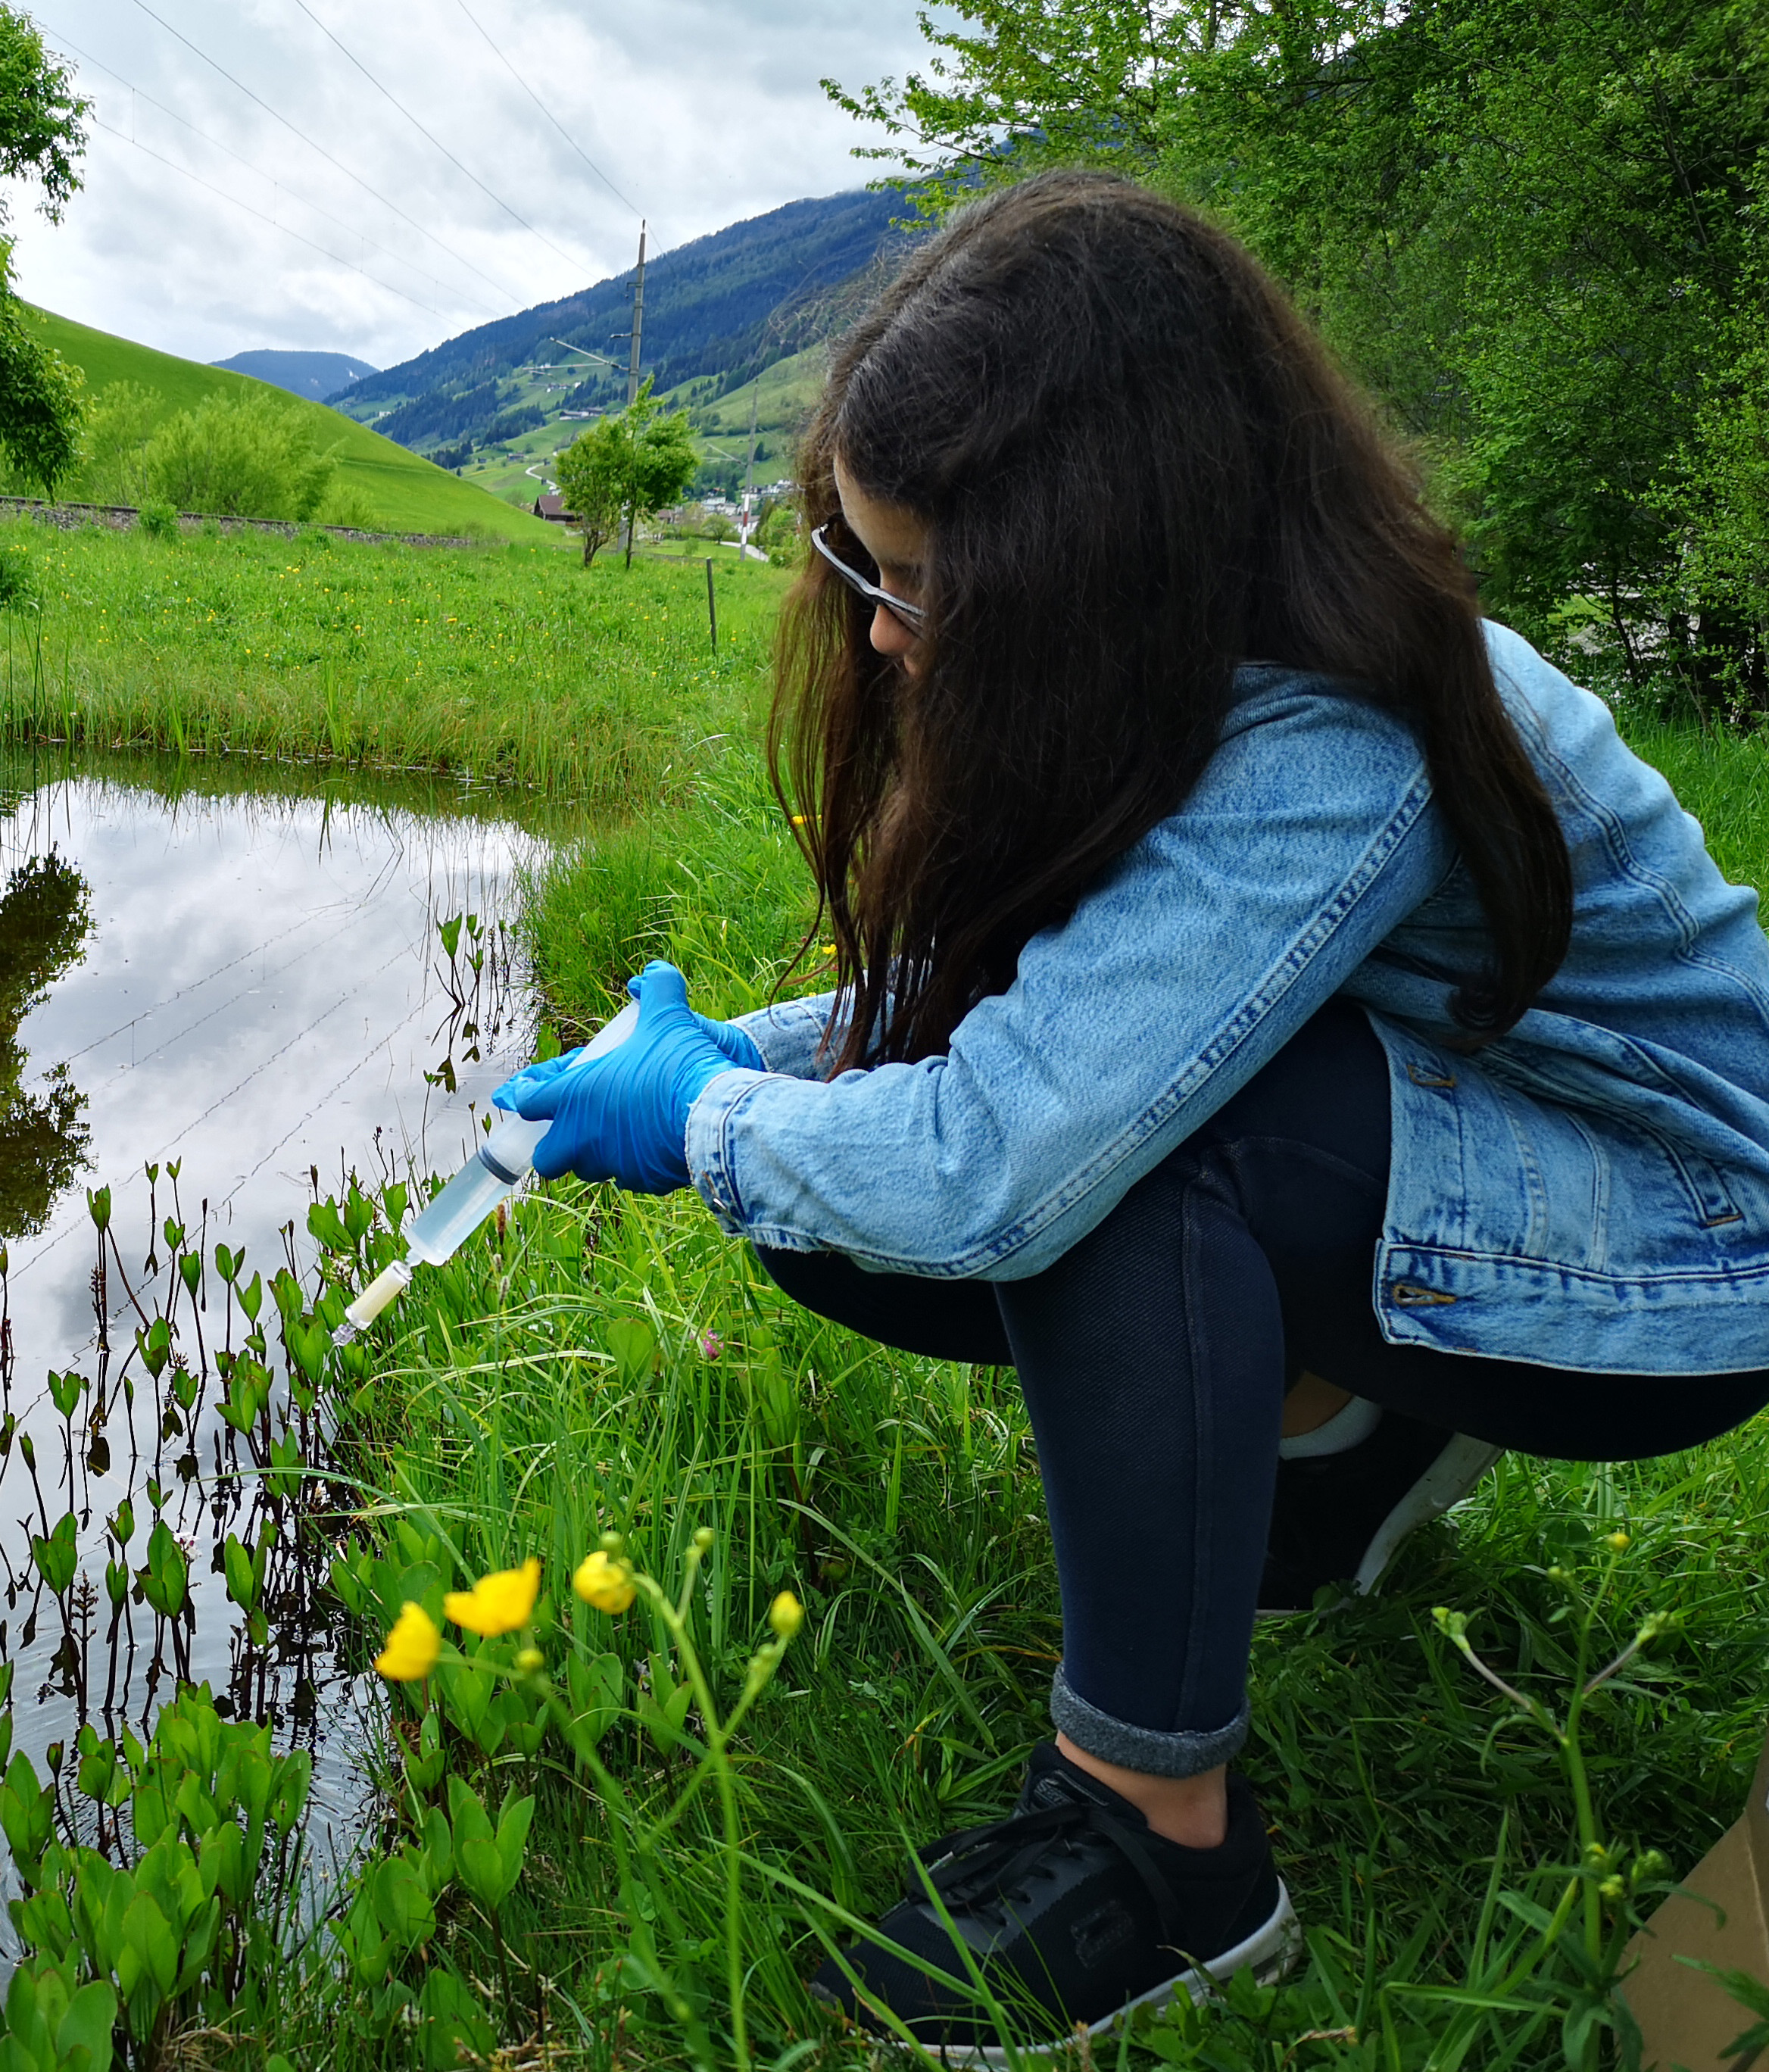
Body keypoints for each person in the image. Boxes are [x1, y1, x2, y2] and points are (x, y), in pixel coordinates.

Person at [491, 169, 1769, 2056]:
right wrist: (749, 1060)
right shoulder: (1199, 659)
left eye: (918, 586)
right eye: (863, 569)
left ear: (1098, 558)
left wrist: (700, 1127)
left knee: (1106, 1167)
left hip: (1690, 1248)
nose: (879, 642)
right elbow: (1071, 1009)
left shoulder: (1335, 738)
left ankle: (1165, 1848)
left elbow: (1007, 1157)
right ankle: (1334, 1465)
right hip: (1475, 1139)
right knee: (897, 1177)